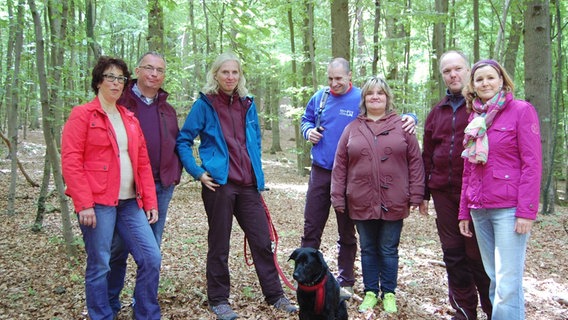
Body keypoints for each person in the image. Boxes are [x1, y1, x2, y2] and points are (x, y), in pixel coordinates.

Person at [175, 52, 297, 320]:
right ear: (215, 74)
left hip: (248, 185)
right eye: (224, 72)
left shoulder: (247, 103)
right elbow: (183, 140)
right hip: (219, 185)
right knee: (219, 243)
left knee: (263, 241)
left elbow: (251, 143)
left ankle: (275, 295)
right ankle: (219, 300)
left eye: (235, 72)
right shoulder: (205, 105)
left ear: (240, 75)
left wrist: (258, 177)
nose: (230, 77)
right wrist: (197, 172)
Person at [300, 58, 416, 300]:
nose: (334, 83)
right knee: (311, 229)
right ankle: (306, 279)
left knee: (347, 232)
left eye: (339, 78)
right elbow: (306, 119)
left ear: (349, 76)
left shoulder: (359, 99)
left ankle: (346, 282)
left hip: (352, 177)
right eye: (330, 78)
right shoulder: (320, 98)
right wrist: (308, 131)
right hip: (321, 171)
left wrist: (411, 117)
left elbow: (384, 115)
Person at [61, 56, 161, 319]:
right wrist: (83, 203)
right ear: (98, 81)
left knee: (151, 258)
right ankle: (101, 314)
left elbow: (142, 162)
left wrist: (150, 201)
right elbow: (71, 161)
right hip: (98, 204)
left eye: (120, 78)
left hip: (130, 204)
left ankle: (147, 313)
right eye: (110, 77)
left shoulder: (129, 118)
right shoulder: (82, 114)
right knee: (100, 264)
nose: (116, 83)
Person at [330, 76, 424, 314]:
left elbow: (415, 162)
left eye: (380, 93)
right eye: (370, 93)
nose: (375, 97)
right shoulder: (352, 128)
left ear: (387, 97)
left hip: (394, 199)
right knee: (368, 248)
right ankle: (371, 292)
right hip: (360, 199)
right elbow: (340, 165)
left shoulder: (403, 127)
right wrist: (337, 196)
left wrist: (416, 194)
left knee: (389, 248)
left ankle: (389, 292)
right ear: (364, 99)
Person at [458, 59, 542, 320]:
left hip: (509, 209)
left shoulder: (521, 111)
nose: (485, 83)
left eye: (490, 77)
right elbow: (469, 168)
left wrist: (526, 211)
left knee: (508, 280)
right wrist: (464, 210)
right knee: (494, 277)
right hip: (479, 209)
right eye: (479, 79)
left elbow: (532, 163)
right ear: (472, 85)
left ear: (502, 80)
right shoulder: (475, 117)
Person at [420, 50, 492, 319]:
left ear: (468, 70)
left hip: (477, 194)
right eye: (447, 71)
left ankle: (492, 309)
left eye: (458, 69)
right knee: (453, 254)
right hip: (443, 192)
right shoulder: (436, 112)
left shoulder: (482, 107)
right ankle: (463, 312)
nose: (453, 74)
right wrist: (424, 193)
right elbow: (428, 153)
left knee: (477, 255)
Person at [108, 52, 182, 308]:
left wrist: (174, 173)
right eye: (149, 68)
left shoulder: (167, 109)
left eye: (159, 70)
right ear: (137, 71)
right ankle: (109, 302)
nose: (154, 74)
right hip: (125, 189)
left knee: (151, 249)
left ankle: (143, 304)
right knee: (117, 247)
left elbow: (175, 142)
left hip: (160, 186)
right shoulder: (120, 101)